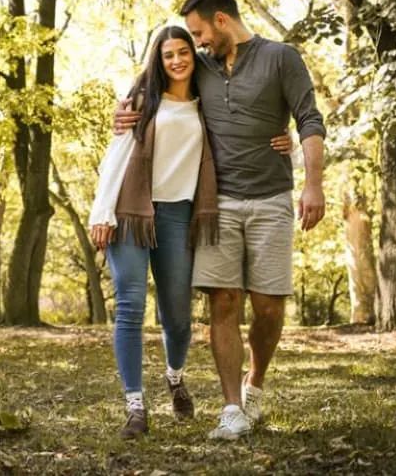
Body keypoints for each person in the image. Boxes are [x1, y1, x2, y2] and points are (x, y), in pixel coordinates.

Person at [115, 0, 326, 441]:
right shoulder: (201, 67)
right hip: (216, 205)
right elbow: (156, 83)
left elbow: (309, 118)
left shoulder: (281, 58)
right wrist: (123, 110)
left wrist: (313, 183)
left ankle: (255, 383)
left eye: (200, 32)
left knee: (268, 308)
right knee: (223, 302)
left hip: (271, 198)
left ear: (222, 21)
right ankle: (231, 408)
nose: (197, 43)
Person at [90, 25, 293, 440]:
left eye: (184, 52)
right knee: (129, 306)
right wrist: (101, 213)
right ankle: (135, 406)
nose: (178, 60)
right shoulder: (141, 104)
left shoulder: (206, 107)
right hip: (130, 214)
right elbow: (116, 158)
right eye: (168, 55)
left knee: (177, 317)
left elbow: (241, 134)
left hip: (179, 217)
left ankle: (175, 376)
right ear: (158, 61)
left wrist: (283, 137)